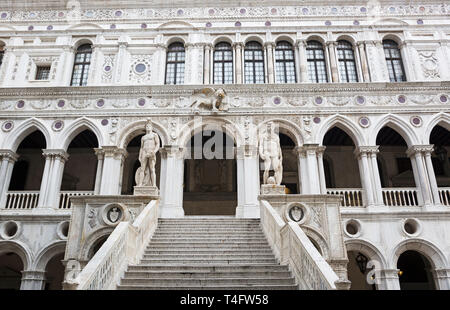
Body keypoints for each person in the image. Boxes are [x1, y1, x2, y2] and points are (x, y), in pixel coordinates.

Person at [137, 120, 160, 187]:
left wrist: (154, 151)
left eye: (149, 126)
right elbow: (141, 147)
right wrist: (140, 155)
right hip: (144, 151)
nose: (148, 127)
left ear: (152, 127)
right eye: (147, 126)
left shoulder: (154, 135)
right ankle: (140, 184)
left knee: (152, 168)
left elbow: (157, 144)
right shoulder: (143, 137)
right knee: (142, 169)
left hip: (151, 151)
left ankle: (154, 184)